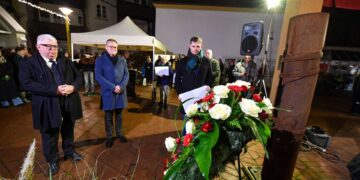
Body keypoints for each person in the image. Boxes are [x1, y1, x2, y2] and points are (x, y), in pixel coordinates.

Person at [19, 34, 83, 175]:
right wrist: (54, 90)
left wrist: (73, 87)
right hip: (47, 104)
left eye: (54, 46)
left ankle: (69, 151)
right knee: (49, 134)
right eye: (48, 46)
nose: (52, 50)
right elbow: (26, 83)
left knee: (68, 129)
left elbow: (79, 77)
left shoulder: (65, 60)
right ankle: (52, 160)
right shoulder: (29, 63)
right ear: (38, 47)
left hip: (68, 101)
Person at [95, 39, 129, 148]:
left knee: (119, 115)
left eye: (115, 47)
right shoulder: (100, 60)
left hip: (120, 92)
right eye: (111, 46)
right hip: (108, 92)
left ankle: (119, 133)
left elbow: (126, 75)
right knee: (108, 116)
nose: (113, 48)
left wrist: (121, 86)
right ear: (105, 47)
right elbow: (98, 76)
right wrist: (113, 87)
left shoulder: (122, 59)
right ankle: (109, 136)